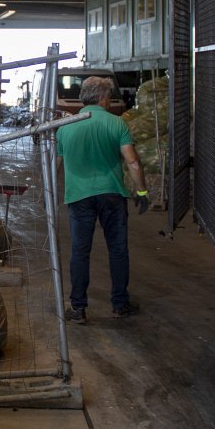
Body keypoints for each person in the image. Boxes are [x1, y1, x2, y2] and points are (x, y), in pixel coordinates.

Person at [55, 76, 149, 323]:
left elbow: (57, 162)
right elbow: (133, 162)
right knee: (117, 250)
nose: (108, 102)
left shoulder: (66, 127)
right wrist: (141, 192)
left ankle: (78, 308)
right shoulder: (116, 123)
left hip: (79, 196)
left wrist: (51, 194)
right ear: (102, 98)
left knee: (80, 251)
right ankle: (119, 304)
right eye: (108, 97)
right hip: (112, 194)